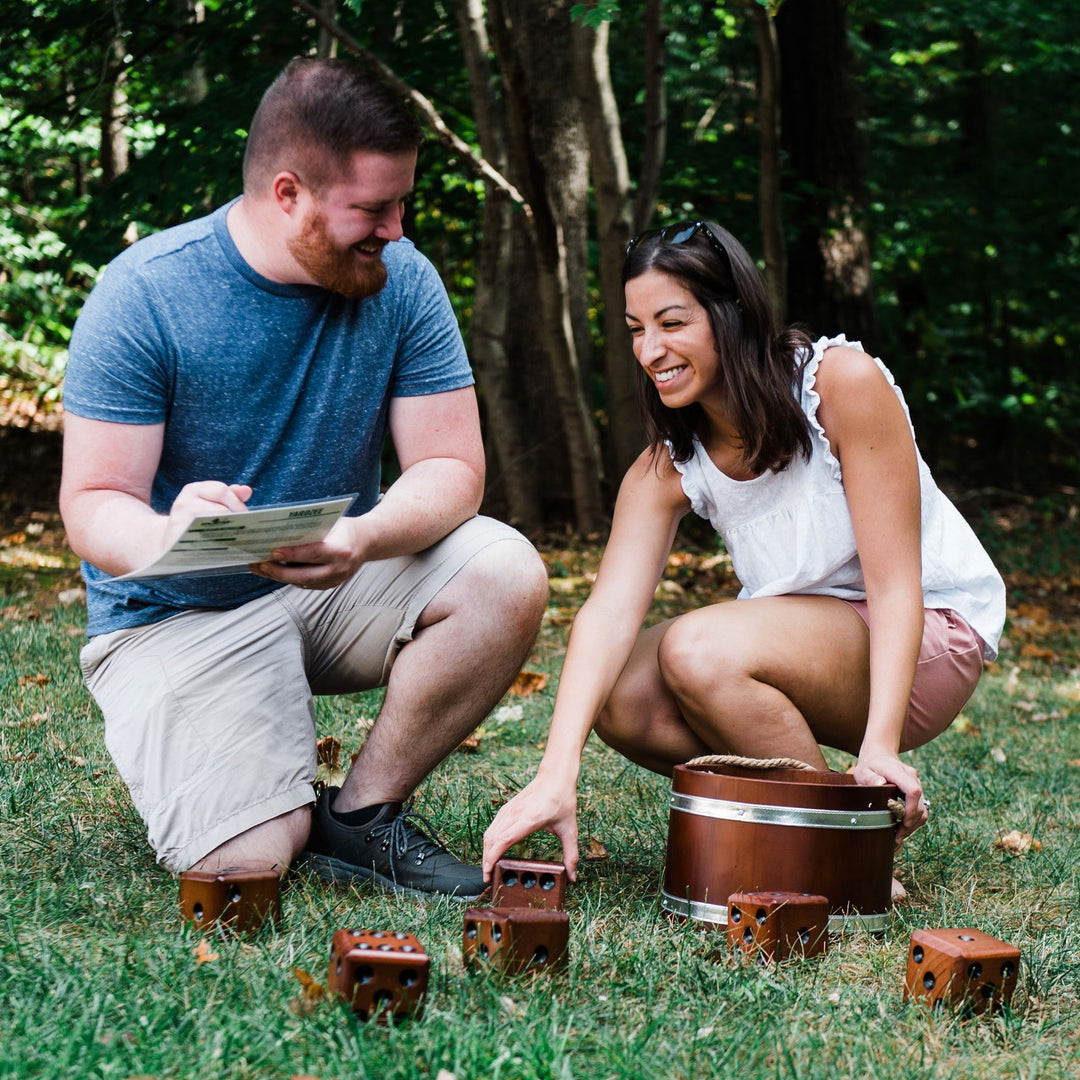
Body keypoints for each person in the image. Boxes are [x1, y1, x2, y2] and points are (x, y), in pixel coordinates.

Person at [59, 58, 548, 901]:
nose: (396, 229)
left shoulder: (404, 282)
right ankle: (276, 799)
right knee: (244, 867)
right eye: (372, 208)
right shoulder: (144, 294)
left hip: (333, 581)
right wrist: (168, 533)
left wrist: (363, 536)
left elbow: (453, 470)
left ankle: (361, 817)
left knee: (504, 570)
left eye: (402, 203)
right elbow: (93, 504)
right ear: (289, 193)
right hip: (173, 614)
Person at [482, 220, 1005, 898]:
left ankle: (844, 846)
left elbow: (896, 583)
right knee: (617, 694)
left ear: (730, 313)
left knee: (699, 648)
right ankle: (815, 819)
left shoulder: (839, 384)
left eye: (672, 322)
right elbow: (606, 615)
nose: (650, 350)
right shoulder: (667, 467)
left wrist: (878, 747)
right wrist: (557, 771)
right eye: (636, 328)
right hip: (808, 647)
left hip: (925, 638)